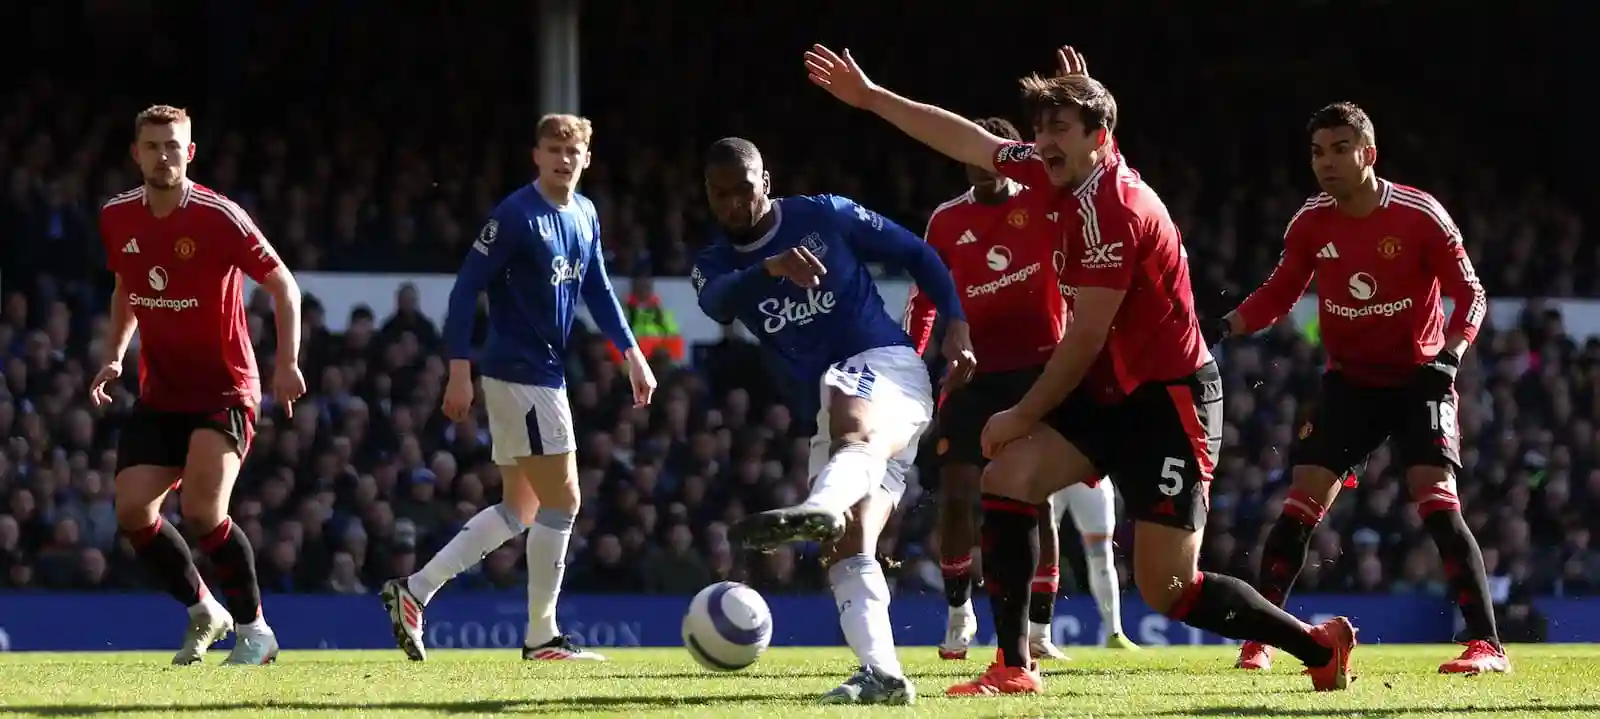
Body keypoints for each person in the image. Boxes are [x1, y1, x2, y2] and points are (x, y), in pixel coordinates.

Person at [806, 43, 1357, 695]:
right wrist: (871, 96)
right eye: (1039, 128)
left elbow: (1084, 335)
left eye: (1058, 129)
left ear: (1101, 138)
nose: (1041, 142)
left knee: (1171, 588)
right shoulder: (1050, 171)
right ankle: (1014, 664)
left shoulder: (1114, 209)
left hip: (1168, 400)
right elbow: (969, 138)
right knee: (1009, 477)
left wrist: (1022, 411)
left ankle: (1316, 645)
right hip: (1107, 389)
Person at [1208, 102, 1506, 676]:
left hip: (1420, 379)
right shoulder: (1311, 222)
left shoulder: (1420, 215)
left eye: (1340, 149)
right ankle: (1261, 640)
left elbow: (1472, 294)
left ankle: (1487, 646)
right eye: (1318, 152)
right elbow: (1278, 294)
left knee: (1436, 500)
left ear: (1369, 154)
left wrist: (1450, 356)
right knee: (1299, 506)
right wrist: (1223, 327)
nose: (1327, 163)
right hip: (1349, 384)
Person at [693, 137, 973, 705]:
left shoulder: (824, 213)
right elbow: (717, 303)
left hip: (885, 368)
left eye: (743, 190)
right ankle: (884, 675)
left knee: (852, 428)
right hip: (835, 412)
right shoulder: (714, 263)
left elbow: (917, 254)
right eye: (720, 195)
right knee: (850, 550)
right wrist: (770, 269)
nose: (734, 205)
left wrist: (957, 321)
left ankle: (820, 507)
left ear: (765, 181)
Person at [380, 114, 656, 662]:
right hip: (522, 373)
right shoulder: (515, 215)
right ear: (536, 155)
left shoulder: (584, 213)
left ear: (586, 158)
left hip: (538, 374)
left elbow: (598, 289)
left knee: (519, 509)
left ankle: (413, 591)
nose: (562, 158)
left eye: (571, 150)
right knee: (566, 499)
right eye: (552, 149)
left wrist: (633, 354)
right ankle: (542, 636)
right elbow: (465, 292)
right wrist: (458, 368)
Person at [903, 116, 1134, 662]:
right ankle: (959, 612)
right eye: (970, 159)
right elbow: (925, 298)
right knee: (958, 497)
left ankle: (1038, 630)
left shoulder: (1045, 201)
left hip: (1039, 370)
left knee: (1037, 502)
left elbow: (1098, 190)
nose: (979, 166)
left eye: (990, 157)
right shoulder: (946, 220)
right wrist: (911, 363)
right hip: (973, 374)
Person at [91, 104, 306, 665]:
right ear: (136, 154)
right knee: (132, 509)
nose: (163, 155)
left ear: (189, 153)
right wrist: (114, 355)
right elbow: (126, 289)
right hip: (161, 391)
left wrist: (287, 363)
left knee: (204, 511)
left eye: (173, 146)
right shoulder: (116, 216)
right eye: (152, 145)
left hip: (224, 389)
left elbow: (283, 284)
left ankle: (256, 631)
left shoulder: (219, 216)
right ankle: (203, 611)